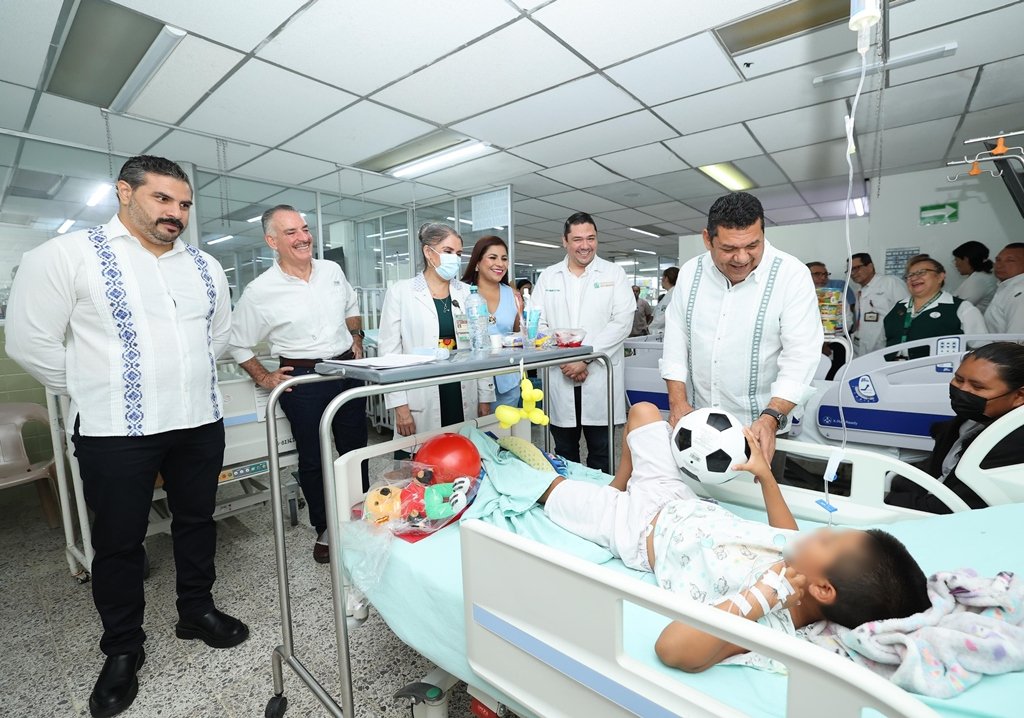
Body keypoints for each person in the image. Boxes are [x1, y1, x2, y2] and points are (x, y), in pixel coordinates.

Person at [5, 155, 247, 718]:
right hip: (116, 430)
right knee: (118, 543)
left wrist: (176, 380)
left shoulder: (205, 266)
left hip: (197, 421)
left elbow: (218, 336)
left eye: (184, 203)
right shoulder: (67, 255)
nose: (176, 213)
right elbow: (29, 340)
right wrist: (102, 388)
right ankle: (121, 649)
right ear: (125, 192)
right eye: (162, 199)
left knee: (195, 522)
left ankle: (196, 610)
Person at [537, 402, 930, 673]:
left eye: (828, 542)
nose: (820, 535)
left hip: (635, 529)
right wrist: (764, 475)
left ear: (824, 590)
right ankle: (616, 485)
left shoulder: (771, 622)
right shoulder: (796, 563)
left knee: (546, 489)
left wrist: (760, 596)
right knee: (642, 413)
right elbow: (784, 533)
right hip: (678, 498)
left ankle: (605, 498)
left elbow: (672, 650)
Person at [227, 205, 368, 564]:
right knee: (315, 457)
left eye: (304, 229)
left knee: (355, 449)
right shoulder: (260, 291)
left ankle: (364, 514)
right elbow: (237, 342)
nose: (303, 237)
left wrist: (356, 336)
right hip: (303, 379)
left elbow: (351, 304)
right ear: (272, 241)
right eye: (291, 232)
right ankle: (326, 528)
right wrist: (263, 376)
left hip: (347, 369)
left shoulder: (332, 271)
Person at [660, 192, 823, 469]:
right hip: (699, 426)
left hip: (762, 427)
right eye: (728, 248)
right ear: (707, 239)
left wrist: (771, 418)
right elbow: (676, 340)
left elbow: (801, 355)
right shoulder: (690, 274)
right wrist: (678, 403)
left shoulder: (791, 275)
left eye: (752, 245)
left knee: (759, 504)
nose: (742, 258)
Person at [531, 212, 634, 474]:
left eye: (591, 238)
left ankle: (601, 504)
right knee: (565, 452)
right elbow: (537, 324)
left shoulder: (614, 273)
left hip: (600, 374)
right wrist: (567, 359)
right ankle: (571, 502)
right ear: (565, 241)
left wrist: (585, 357)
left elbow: (622, 322)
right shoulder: (549, 277)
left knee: (602, 452)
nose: (585, 245)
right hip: (560, 372)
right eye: (577, 239)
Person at [378, 223, 494, 436]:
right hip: (419, 395)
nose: (455, 259)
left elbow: (481, 347)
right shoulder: (401, 293)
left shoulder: (469, 294)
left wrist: (485, 395)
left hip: (462, 391)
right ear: (428, 252)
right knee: (420, 463)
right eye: (448, 252)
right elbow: (389, 356)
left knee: (463, 457)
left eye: (458, 253)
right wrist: (400, 407)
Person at [885, 342, 1024, 514]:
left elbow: (952, 507)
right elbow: (937, 469)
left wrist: (883, 500)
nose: (962, 390)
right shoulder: (973, 419)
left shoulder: (1010, 443)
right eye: (958, 379)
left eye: (977, 387)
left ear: (1019, 396)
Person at [883, 254, 986, 360]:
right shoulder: (898, 307)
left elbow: (982, 350)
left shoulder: (962, 309)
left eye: (921, 273)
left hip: (937, 373)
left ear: (940, 277)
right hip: (892, 370)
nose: (914, 278)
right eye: (909, 275)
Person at [462, 235, 522, 408]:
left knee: (505, 433)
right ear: (477, 263)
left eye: (504, 259)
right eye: (493, 257)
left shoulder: (512, 295)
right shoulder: (462, 293)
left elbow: (519, 337)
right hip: (473, 381)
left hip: (507, 382)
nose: (500, 264)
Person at [849, 252, 906, 357]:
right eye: (849, 270)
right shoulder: (860, 291)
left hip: (884, 347)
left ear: (870, 267)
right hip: (861, 346)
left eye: (856, 268)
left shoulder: (890, 282)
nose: (852, 273)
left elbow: (908, 313)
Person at [807, 261, 849, 380]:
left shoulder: (837, 296)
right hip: (806, 344)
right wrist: (819, 344)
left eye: (825, 274)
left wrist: (826, 341)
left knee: (833, 380)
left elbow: (847, 321)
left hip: (833, 343)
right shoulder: (796, 296)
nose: (823, 278)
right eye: (817, 274)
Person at [984, 243, 1024, 335]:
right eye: (998, 260)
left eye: (1010, 260)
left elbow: (1017, 339)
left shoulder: (1019, 291)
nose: (999, 265)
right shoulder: (1007, 287)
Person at [951, 240, 997, 313]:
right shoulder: (981, 276)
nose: (955, 264)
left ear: (966, 260)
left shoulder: (979, 280)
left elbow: (957, 308)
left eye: (956, 260)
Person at [648, 266, 678, 337]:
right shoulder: (672, 294)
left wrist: (649, 328)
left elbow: (661, 318)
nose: (661, 280)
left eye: (662, 278)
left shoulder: (671, 296)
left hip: (662, 334)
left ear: (666, 278)